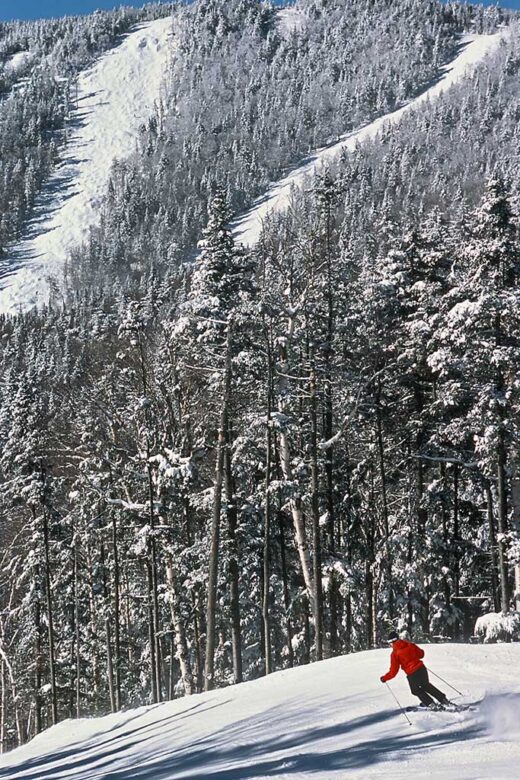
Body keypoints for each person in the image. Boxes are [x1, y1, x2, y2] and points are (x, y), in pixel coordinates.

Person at [380, 631, 449, 709]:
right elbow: (421, 654)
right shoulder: (410, 645)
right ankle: (443, 700)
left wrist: (384, 678)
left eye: (390, 643)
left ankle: (430, 704)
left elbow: (393, 671)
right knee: (426, 685)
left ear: (392, 642)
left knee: (415, 690)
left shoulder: (395, 654)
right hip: (422, 669)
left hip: (412, 674)